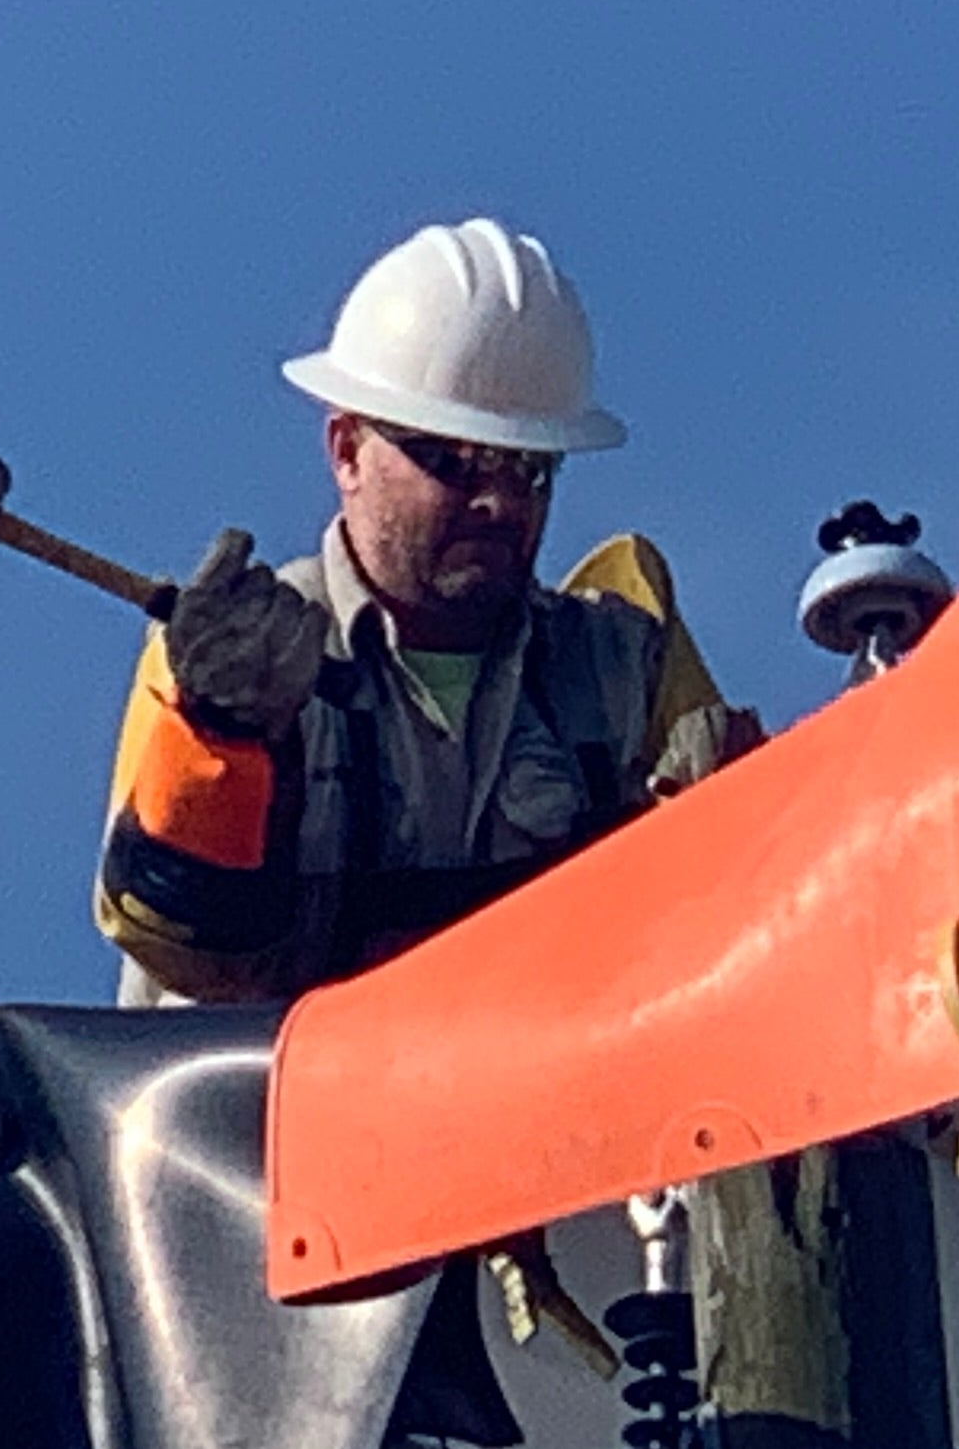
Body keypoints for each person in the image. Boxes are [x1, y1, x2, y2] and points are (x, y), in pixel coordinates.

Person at [98, 217, 755, 1007]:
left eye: (529, 470)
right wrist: (220, 742)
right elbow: (182, 950)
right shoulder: (228, 659)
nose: (497, 500)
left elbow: (743, 944)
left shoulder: (619, 669)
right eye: (454, 461)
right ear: (347, 451)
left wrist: (731, 824)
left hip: (554, 1115)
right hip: (264, 1119)